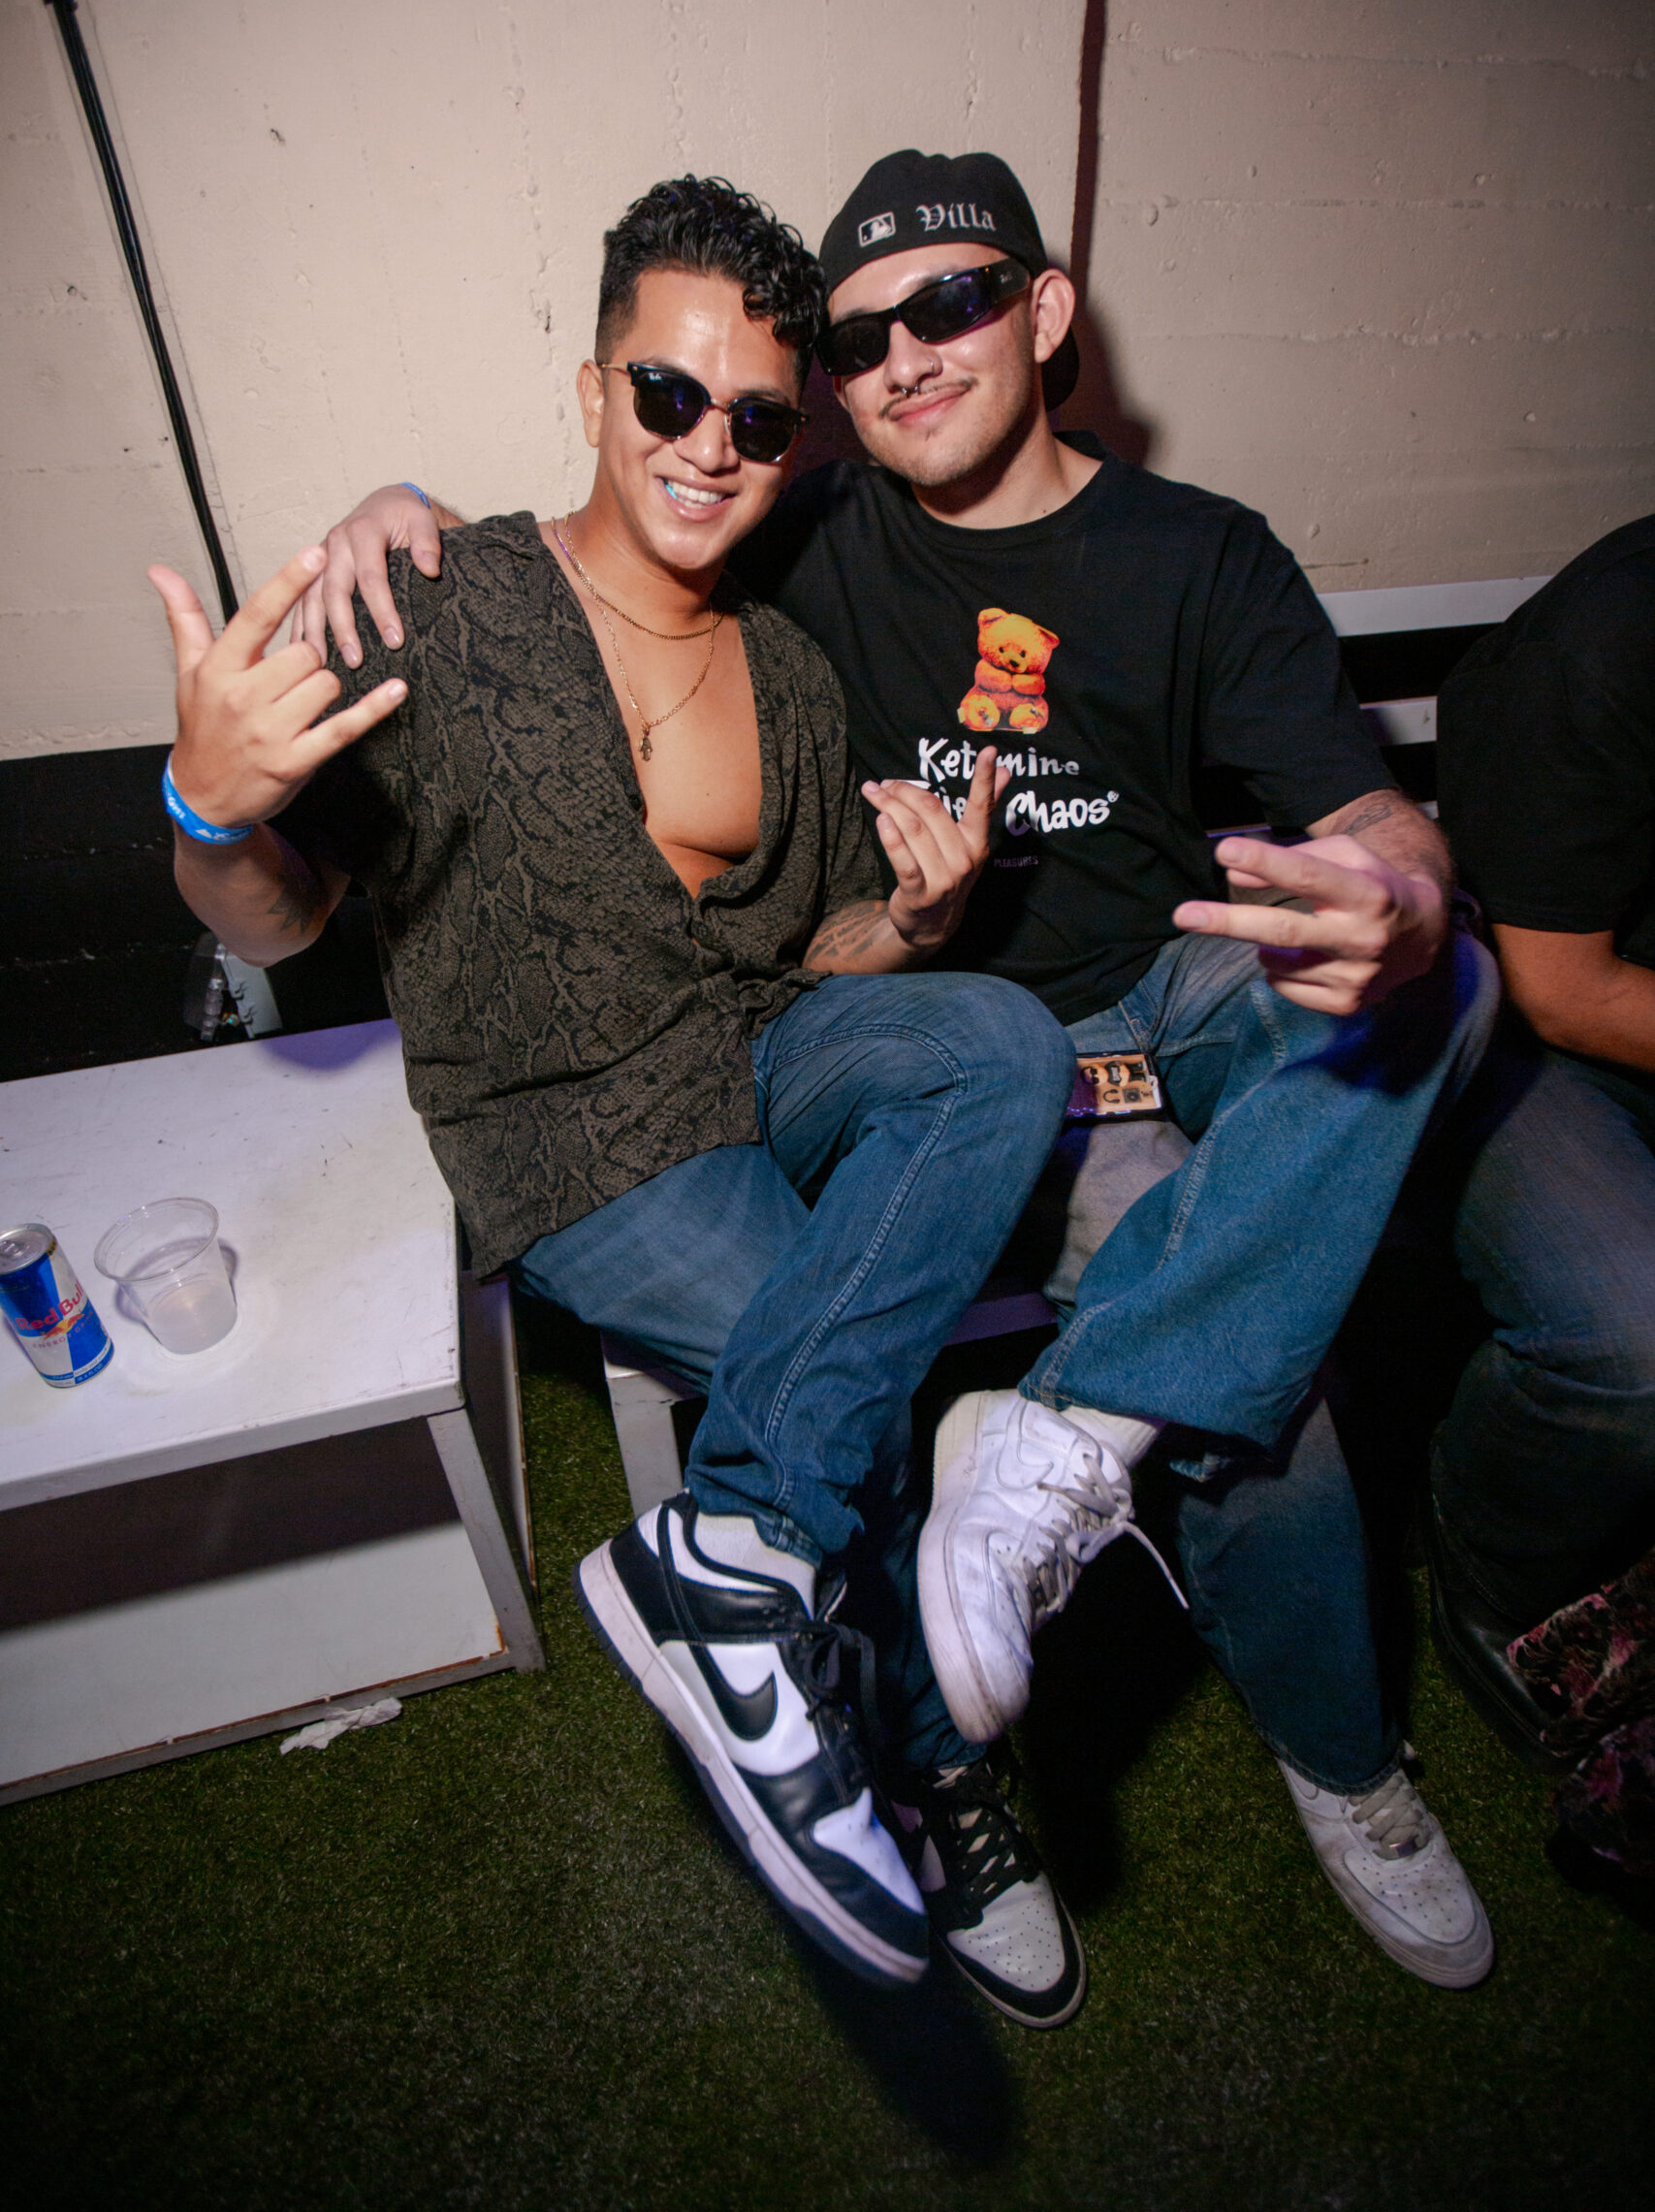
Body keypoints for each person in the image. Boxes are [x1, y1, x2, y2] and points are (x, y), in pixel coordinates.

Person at [304, 149, 1499, 1989]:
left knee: (1446, 976)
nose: (901, 361)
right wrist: (395, 516)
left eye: (949, 304)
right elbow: (587, 548)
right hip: (880, 1061)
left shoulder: (1173, 558)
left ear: (1045, 310)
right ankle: (992, 1753)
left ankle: (1114, 1502)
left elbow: (1362, 822)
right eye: (857, 342)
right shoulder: (792, 531)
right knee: (1215, 1402)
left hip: (1139, 991)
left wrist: (1398, 897)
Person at [148, 175, 1084, 2009]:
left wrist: (913, 922)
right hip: (571, 1130)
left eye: (756, 420)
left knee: (1003, 1045)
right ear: (593, 392)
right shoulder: (439, 602)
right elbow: (286, 912)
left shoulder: (793, 679)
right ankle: (941, 1771)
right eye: (667, 393)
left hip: (758, 1056)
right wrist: (207, 806)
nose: (708, 448)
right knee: (841, 1386)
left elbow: (818, 953)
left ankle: (726, 1561)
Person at [1426, 515, 1655, 1872]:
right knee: (1635, 1336)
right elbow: (1562, 990)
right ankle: (1494, 1570)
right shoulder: (1611, 639)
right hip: (1522, 1042)